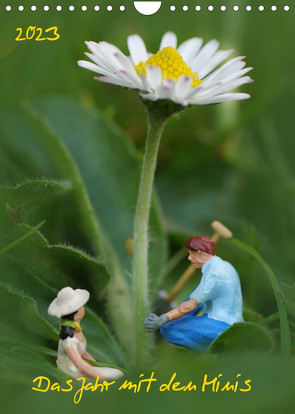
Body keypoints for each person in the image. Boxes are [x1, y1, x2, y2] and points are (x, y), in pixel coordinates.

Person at [144, 235, 243, 351]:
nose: (190, 258)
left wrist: (162, 319)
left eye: (192, 254)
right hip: (233, 321)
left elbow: (191, 305)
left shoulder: (213, 275)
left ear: (201, 253)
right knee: (196, 292)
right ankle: (177, 318)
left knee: (167, 329)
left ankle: (210, 352)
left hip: (222, 327)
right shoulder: (225, 265)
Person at [48, 287, 124, 380]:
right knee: (118, 374)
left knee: (115, 372)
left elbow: (83, 353)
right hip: (71, 372)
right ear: (76, 313)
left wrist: (96, 364)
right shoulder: (70, 340)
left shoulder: (77, 333)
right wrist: (99, 376)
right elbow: (79, 364)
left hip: (78, 368)